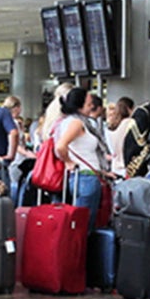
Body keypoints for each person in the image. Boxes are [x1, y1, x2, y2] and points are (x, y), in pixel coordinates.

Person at [48, 86, 109, 220]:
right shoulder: (76, 123)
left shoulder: (69, 121)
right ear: (79, 106)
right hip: (85, 178)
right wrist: (69, 162)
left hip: (82, 177)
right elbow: (60, 146)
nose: (92, 106)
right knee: (84, 223)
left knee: (80, 222)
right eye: (88, 104)